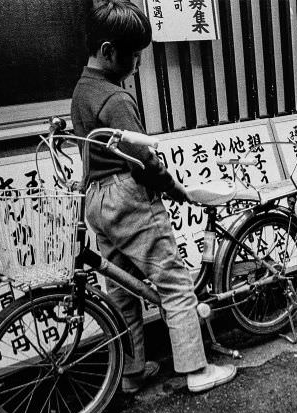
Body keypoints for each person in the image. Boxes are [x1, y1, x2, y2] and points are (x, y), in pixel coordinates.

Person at [70, 0, 236, 392]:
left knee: (123, 290)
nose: (138, 63)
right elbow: (143, 159)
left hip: (96, 199)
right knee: (174, 282)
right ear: (109, 51)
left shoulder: (81, 90)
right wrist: (176, 189)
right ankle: (197, 370)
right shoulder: (115, 98)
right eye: (135, 55)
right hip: (127, 197)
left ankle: (129, 372)